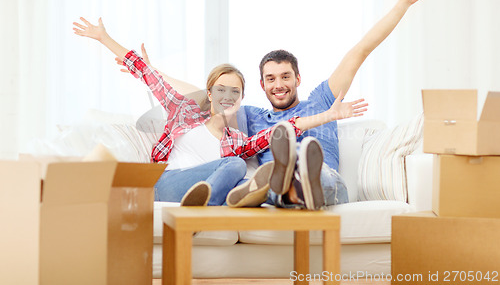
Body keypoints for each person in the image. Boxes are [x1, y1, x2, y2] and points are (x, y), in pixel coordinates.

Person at [129, 0, 442, 210]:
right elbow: (205, 94)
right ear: (263, 87)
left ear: (298, 79)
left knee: (313, 167)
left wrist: (404, 3)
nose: (278, 85)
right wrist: (152, 71)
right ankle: (285, 185)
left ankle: (298, 177)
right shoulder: (252, 118)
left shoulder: (322, 101)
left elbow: (360, 50)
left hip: (325, 181)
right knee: (260, 182)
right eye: (270, 79)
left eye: (285, 77)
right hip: (274, 185)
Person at [72, 18, 368, 207]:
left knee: (237, 166)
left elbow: (287, 126)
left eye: (235, 92)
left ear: (241, 99)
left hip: (208, 184)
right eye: (221, 90)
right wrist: (103, 38)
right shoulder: (183, 110)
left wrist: (328, 115)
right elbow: (147, 74)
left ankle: (249, 195)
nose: (227, 97)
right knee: (235, 167)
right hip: (168, 180)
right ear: (209, 93)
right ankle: (228, 198)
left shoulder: (236, 139)